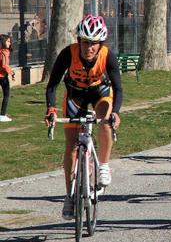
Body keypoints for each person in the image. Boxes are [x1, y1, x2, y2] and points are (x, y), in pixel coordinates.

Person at [44, 14, 122, 220]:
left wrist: (116, 113)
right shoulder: (68, 54)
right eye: (85, 42)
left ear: (100, 44)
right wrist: (51, 109)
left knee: (105, 119)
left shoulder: (108, 56)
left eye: (94, 43)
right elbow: (52, 85)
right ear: (79, 40)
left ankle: (104, 165)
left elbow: (118, 87)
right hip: (74, 95)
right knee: (70, 145)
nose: (89, 48)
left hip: (100, 93)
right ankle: (69, 196)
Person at [0, 35, 16, 122]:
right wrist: (12, 72)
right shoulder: (5, 52)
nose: (9, 43)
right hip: (2, 77)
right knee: (6, 95)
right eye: (8, 41)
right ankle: (2, 115)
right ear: (3, 42)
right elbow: (4, 65)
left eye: (10, 41)